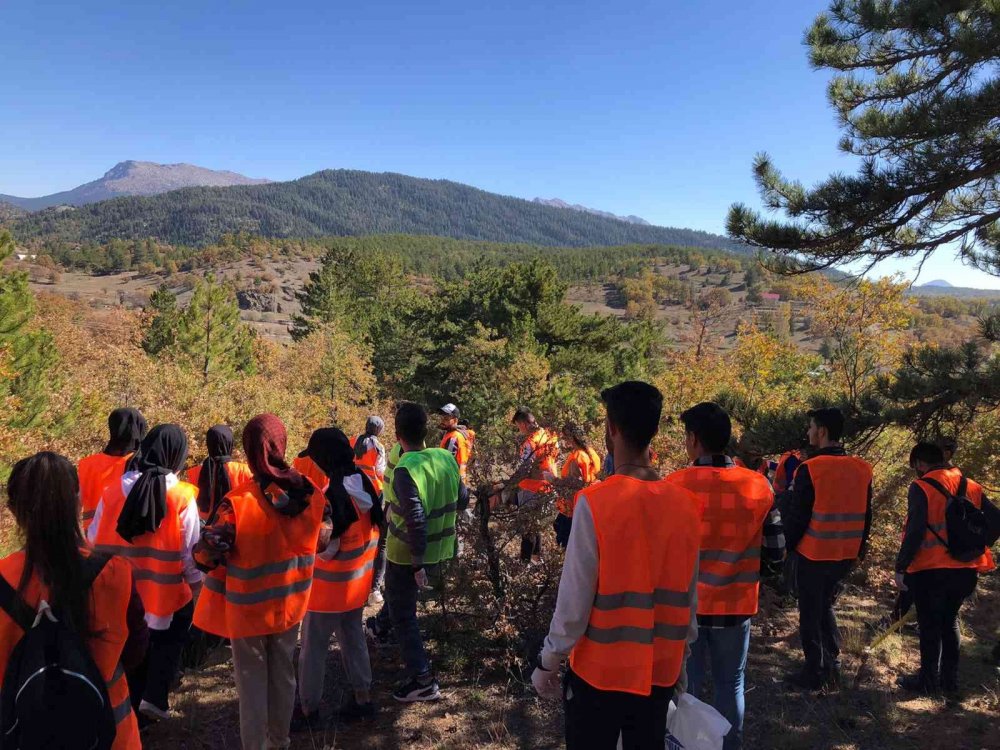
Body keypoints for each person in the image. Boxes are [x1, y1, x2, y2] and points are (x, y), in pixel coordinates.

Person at [532, 382, 702, 750]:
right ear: (654, 430)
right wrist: (682, 665)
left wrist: (549, 660)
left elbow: (573, 603)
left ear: (611, 429)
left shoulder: (595, 503)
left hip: (600, 677)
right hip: (660, 670)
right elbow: (689, 598)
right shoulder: (686, 506)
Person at [194, 414, 328, 750]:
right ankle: (279, 742)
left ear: (250, 450)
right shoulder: (311, 494)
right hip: (292, 605)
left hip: (248, 611)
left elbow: (205, 556)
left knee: (252, 685)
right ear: (280, 445)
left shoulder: (237, 503)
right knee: (283, 675)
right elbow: (323, 540)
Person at [1, 452, 148, 750]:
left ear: (14, 512)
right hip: (109, 733)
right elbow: (136, 652)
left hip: (22, 734)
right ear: (77, 502)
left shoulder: (4, 577)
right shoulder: (114, 571)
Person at [666, 403, 783, 750]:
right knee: (731, 683)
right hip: (736, 604)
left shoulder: (674, 486)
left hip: (686, 609)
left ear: (694, 440)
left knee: (689, 683)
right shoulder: (759, 485)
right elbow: (776, 550)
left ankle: (687, 743)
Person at [88, 424, 202, 723]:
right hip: (161, 596)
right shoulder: (181, 496)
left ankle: (121, 710)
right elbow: (190, 555)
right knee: (170, 637)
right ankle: (154, 698)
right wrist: (197, 588)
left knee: (123, 658)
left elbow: (91, 539)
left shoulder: (112, 490)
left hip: (114, 594)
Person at [293, 428, 381, 729]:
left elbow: (327, 550)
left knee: (312, 651)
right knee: (353, 639)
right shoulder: (366, 483)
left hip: (327, 594)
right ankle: (363, 698)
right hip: (357, 588)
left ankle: (308, 710)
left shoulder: (331, 497)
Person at [894, 442, 999, 695]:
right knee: (950, 621)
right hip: (966, 570)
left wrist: (901, 566)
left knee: (930, 626)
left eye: (915, 466)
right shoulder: (971, 485)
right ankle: (949, 682)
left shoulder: (921, 486)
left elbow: (916, 530)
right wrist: (978, 545)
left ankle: (927, 682)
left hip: (931, 569)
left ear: (920, 463)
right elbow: (996, 521)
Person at [782, 407, 873, 690]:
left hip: (815, 552)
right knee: (824, 606)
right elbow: (867, 514)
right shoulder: (862, 468)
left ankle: (814, 672)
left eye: (811, 427)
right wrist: (859, 550)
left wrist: (787, 547)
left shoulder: (810, 469)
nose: (808, 432)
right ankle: (832, 661)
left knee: (810, 612)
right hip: (845, 554)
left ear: (821, 431)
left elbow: (799, 517)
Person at [383, 402, 467, 702]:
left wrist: (417, 564)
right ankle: (386, 633)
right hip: (441, 550)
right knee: (402, 609)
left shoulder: (406, 467)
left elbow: (416, 519)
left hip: (406, 556)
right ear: (427, 430)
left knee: (403, 616)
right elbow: (463, 498)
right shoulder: (445, 457)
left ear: (397, 434)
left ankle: (422, 679)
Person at [78, 407, 148, 531]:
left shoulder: (87, 464)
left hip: (92, 535)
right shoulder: (141, 465)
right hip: (124, 537)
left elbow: (76, 504)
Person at [511, 406, 560, 563]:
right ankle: (536, 558)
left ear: (524, 423)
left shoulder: (530, 443)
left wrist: (508, 485)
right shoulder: (550, 435)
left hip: (531, 488)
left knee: (528, 527)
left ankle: (524, 564)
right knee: (536, 525)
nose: (519, 430)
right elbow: (556, 458)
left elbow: (523, 469)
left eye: (518, 426)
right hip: (548, 486)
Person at [544, 422, 601, 548]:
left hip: (572, 507)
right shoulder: (589, 452)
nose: (563, 440)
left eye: (564, 437)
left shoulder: (578, 457)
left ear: (571, 438)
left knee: (565, 540)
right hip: (580, 504)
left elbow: (577, 484)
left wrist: (553, 480)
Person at [188, 425, 253, 522]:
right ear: (230, 443)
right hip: (235, 530)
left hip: (204, 532)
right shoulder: (245, 471)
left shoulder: (194, 472)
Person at [351, 416, 388, 493]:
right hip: (371, 488)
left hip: (352, 484)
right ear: (379, 430)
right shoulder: (378, 448)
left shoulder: (352, 441)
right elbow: (380, 471)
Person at [438, 403, 472, 483]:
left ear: (455, 420)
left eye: (446, 418)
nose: (443, 420)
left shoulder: (453, 437)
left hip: (452, 481)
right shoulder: (456, 433)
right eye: (442, 417)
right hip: (459, 480)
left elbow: (446, 464)